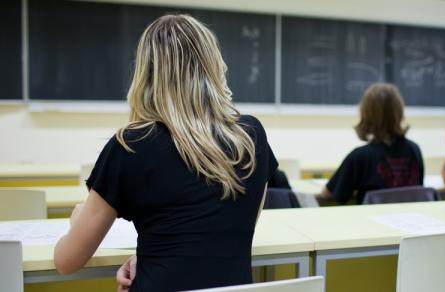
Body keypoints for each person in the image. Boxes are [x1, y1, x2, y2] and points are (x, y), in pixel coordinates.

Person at [53, 14, 278, 292]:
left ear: (147, 74)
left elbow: (66, 262)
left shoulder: (130, 146)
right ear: (214, 65)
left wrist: (77, 222)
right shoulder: (250, 136)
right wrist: (152, 256)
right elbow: (228, 232)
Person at [320, 83, 424, 204]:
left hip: (369, 221)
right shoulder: (414, 150)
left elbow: (328, 193)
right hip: (409, 219)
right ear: (399, 111)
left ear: (366, 114)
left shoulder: (359, 157)